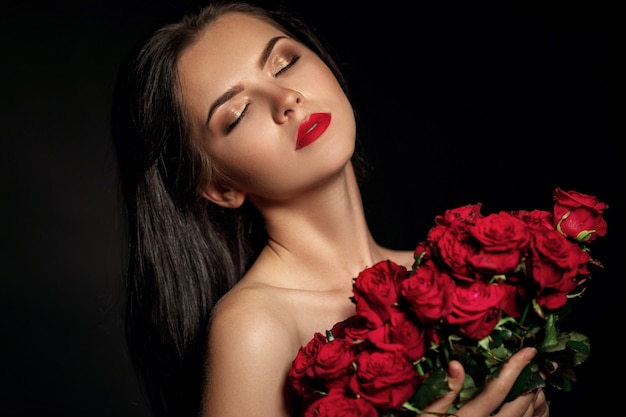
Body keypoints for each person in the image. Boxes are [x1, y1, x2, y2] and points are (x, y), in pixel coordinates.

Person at [112, 1, 550, 416]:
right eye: (239, 112)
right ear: (220, 188)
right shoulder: (256, 328)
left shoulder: (454, 275)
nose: (286, 98)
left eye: (285, 62)